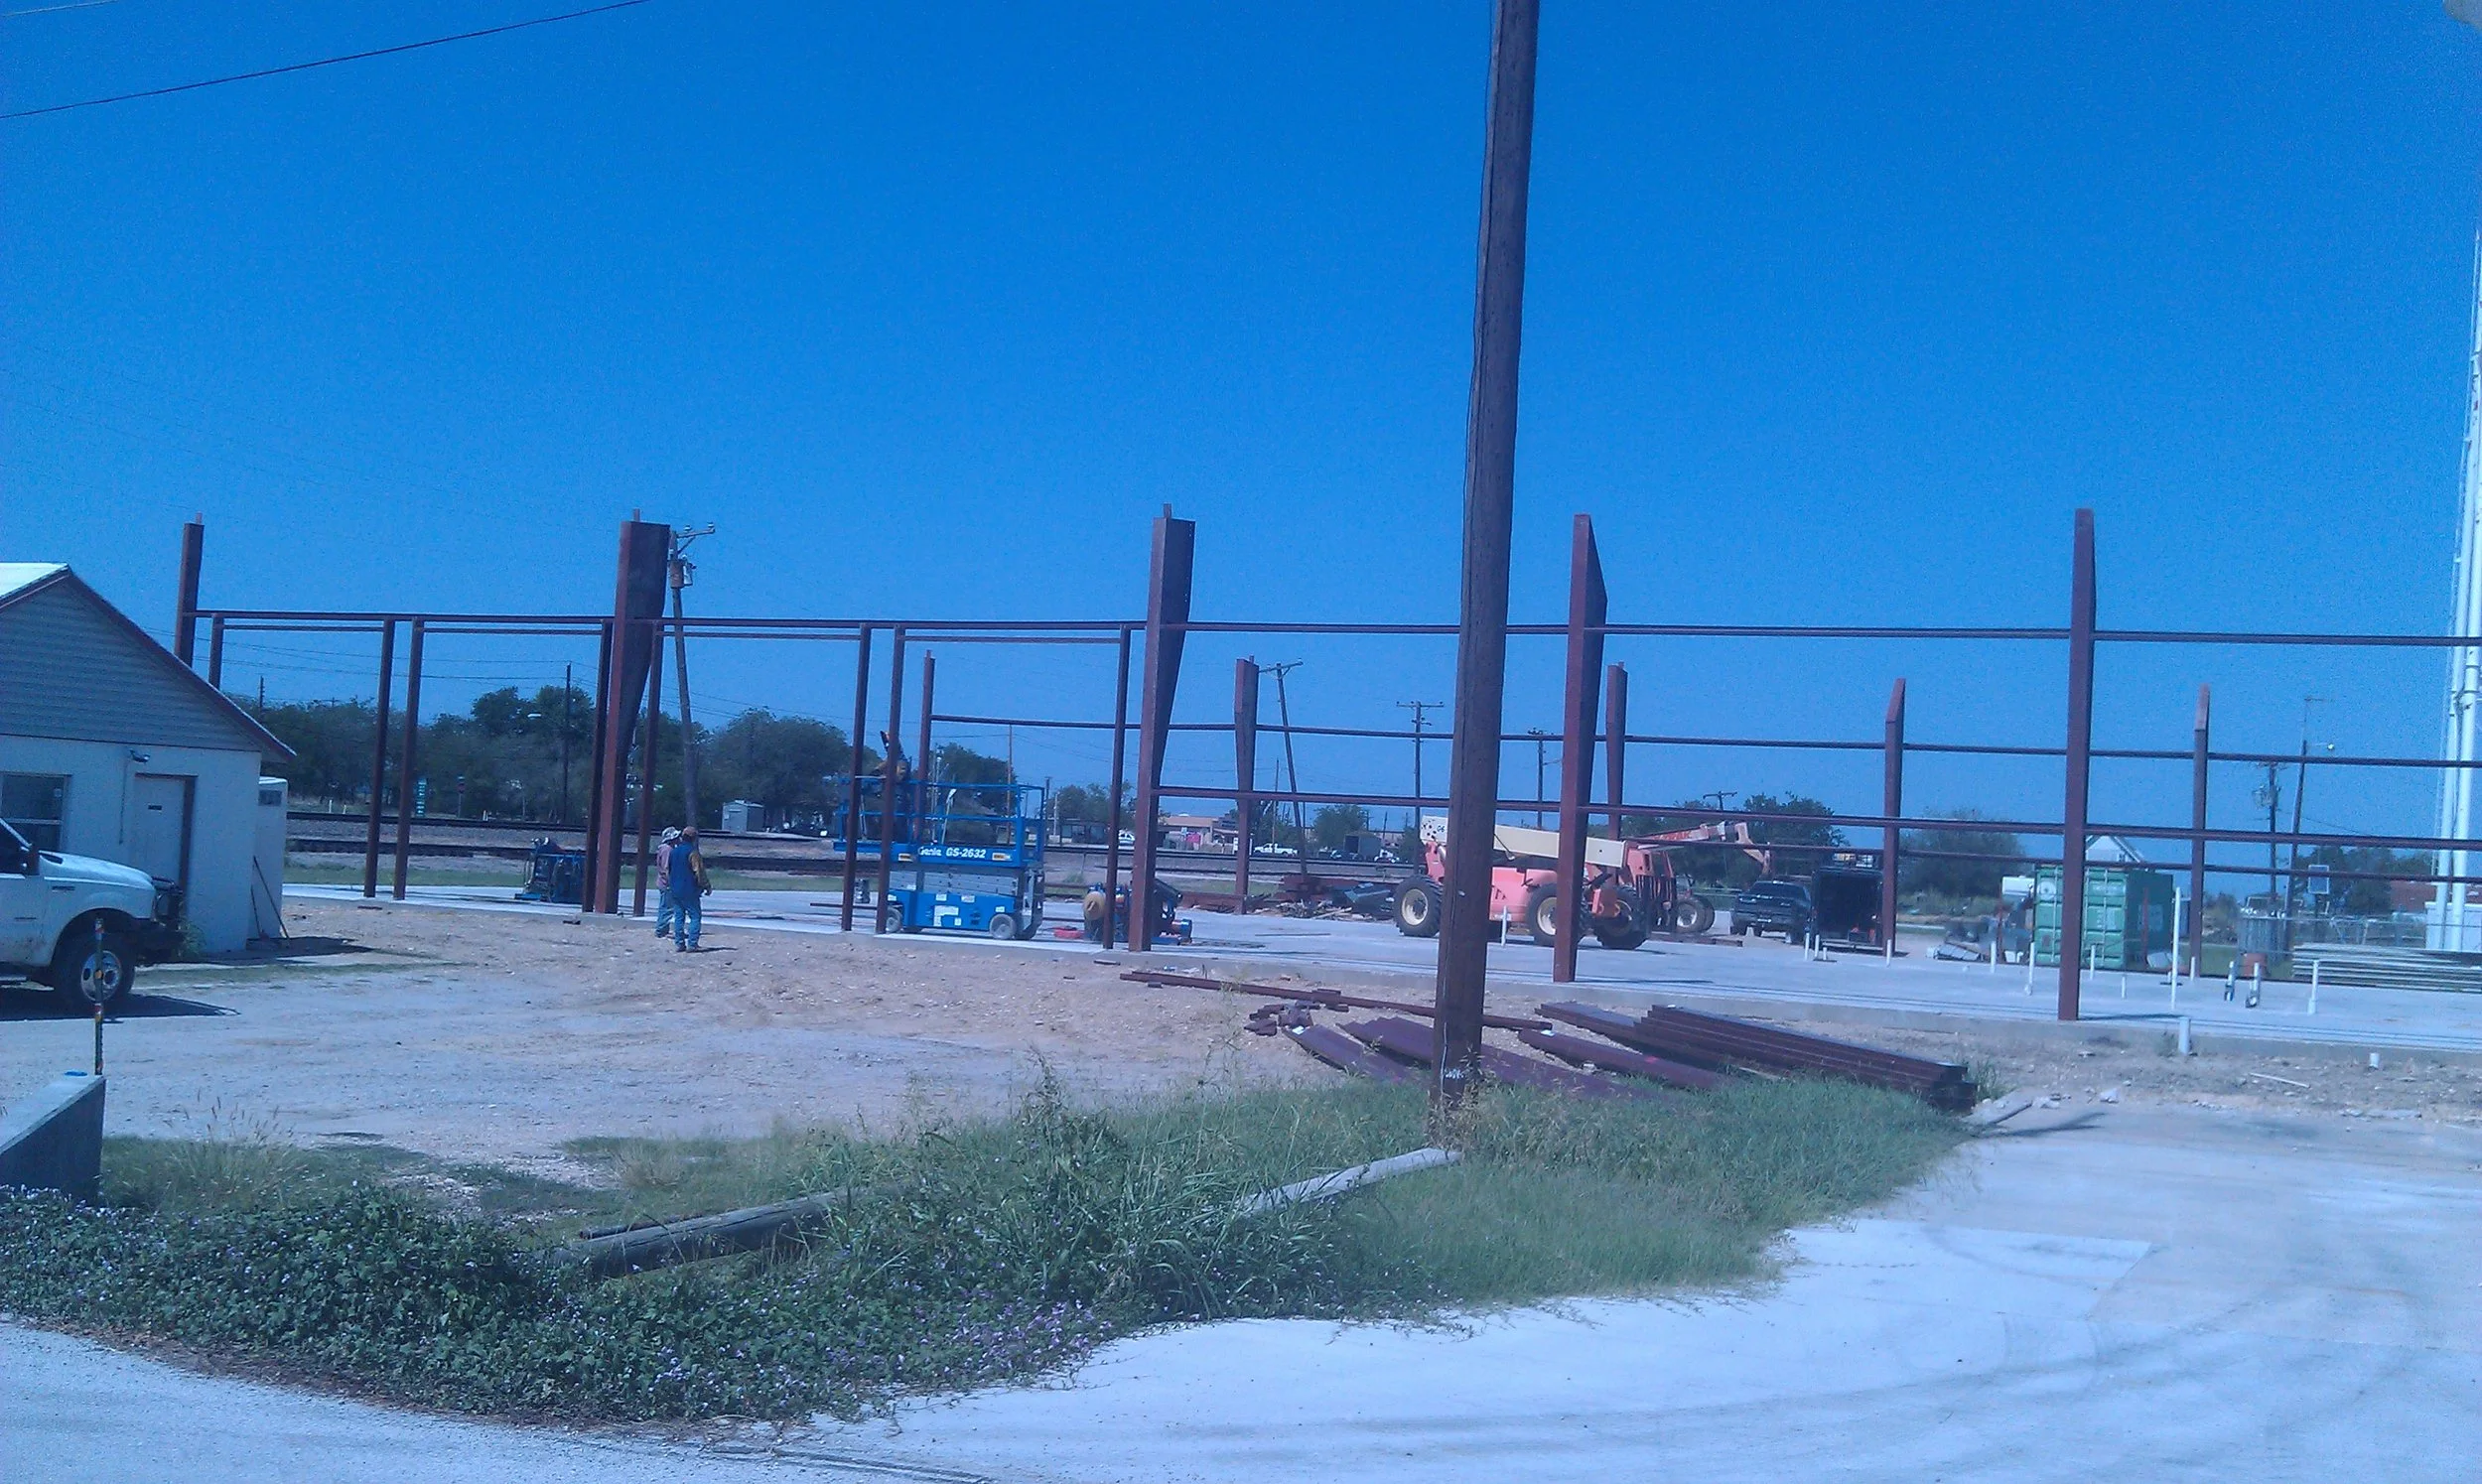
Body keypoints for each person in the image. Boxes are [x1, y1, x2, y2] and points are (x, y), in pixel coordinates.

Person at [668, 827, 709, 952]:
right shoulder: (693, 852)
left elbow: (668, 869)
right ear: (694, 838)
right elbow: (699, 872)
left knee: (679, 917)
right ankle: (692, 944)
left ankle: (679, 943)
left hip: (675, 889)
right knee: (695, 916)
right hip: (690, 889)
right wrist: (706, 886)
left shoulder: (673, 852)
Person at [653, 827, 681, 939]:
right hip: (666, 884)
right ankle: (661, 929)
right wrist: (671, 883)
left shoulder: (665, 848)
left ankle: (663, 929)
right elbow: (666, 869)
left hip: (662, 882)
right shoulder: (667, 850)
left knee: (664, 906)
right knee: (667, 908)